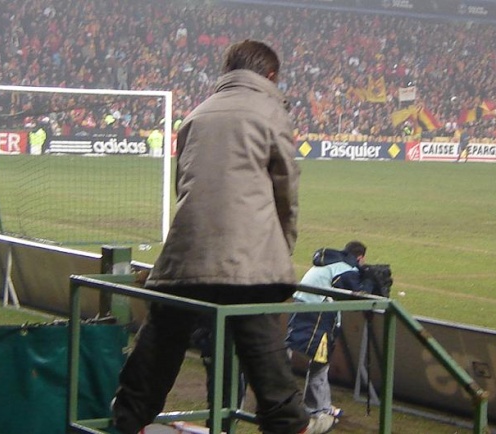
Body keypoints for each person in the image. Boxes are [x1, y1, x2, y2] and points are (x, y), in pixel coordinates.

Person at [111, 40, 336, 434]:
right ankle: (288, 422)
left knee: (161, 339)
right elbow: (286, 189)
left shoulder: (196, 114)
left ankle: (127, 418)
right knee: (260, 340)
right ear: (270, 76)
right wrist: (281, 253)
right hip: (245, 257)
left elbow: (184, 185)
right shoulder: (270, 111)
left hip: (185, 253)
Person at [285, 241, 374, 420]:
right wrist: (369, 279)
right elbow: (358, 295)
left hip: (301, 305)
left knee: (289, 350)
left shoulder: (328, 262)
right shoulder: (345, 268)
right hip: (318, 313)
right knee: (320, 362)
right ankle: (317, 409)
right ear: (360, 257)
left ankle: (283, 398)